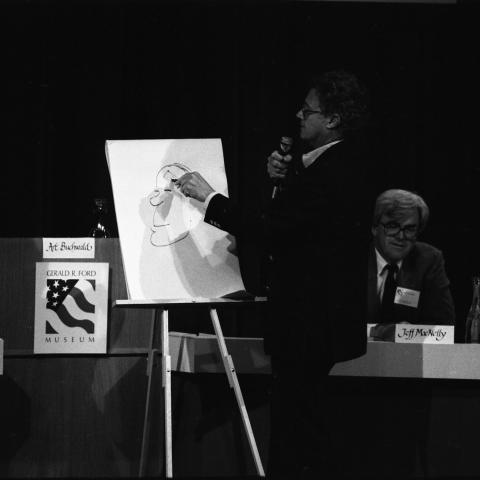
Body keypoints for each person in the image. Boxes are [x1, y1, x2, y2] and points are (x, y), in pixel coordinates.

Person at [176, 70, 371, 478]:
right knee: (299, 428)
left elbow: (274, 228)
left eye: (309, 109)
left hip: (310, 327)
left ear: (333, 119)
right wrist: (282, 181)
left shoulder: (335, 171)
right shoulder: (322, 167)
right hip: (309, 328)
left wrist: (208, 197)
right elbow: (292, 223)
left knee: (297, 434)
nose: (299, 115)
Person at [369, 189, 455, 338]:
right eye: (392, 226)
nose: (401, 236)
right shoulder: (352, 259)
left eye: (409, 229)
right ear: (375, 228)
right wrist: (380, 331)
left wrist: (407, 333)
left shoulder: (428, 260)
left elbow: (444, 327)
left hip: (408, 356)